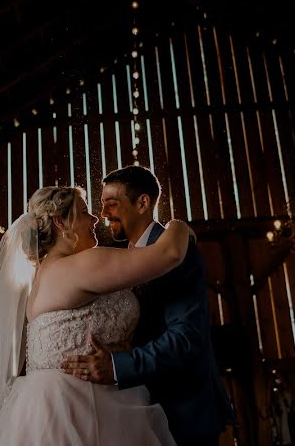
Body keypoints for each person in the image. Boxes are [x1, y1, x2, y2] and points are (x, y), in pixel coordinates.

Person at [0, 185, 193, 445]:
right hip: (80, 407)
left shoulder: (43, 276)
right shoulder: (81, 265)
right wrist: (179, 226)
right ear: (60, 222)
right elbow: (170, 252)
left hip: (42, 408)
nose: (95, 218)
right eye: (85, 212)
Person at [60, 166, 235, 446]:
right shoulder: (118, 259)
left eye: (112, 204)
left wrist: (117, 367)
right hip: (137, 411)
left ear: (143, 203)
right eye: (102, 205)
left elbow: (186, 337)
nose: (103, 215)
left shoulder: (176, 252)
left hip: (182, 411)